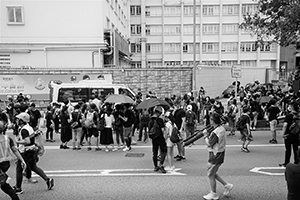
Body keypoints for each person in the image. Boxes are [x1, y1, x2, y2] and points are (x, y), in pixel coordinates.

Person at [14, 112, 54, 194]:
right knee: (33, 167)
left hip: (25, 151)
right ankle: (47, 179)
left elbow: (27, 141)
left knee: (19, 169)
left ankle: (18, 188)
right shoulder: (29, 127)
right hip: (32, 150)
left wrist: (17, 141)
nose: (16, 120)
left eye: (18, 119)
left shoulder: (24, 130)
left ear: (22, 120)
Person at [202, 113, 233, 200]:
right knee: (212, 173)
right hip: (220, 153)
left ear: (212, 121)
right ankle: (226, 185)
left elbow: (210, 144)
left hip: (215, 155)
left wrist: (205, 135)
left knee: (210, 174)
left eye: (210, 120)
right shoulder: (221, 129)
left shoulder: (215, 132)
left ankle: (214, 194)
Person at [0, 120, 26, 200]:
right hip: (5, 164)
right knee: (3, 183)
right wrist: (22, 160)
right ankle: (15, 198)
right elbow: (15, 150)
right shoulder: (7, 138)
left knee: (4, 183)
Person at [279, 101, 299, 167]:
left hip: (288, 134)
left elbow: (285, 125)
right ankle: (297, 162)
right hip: (296, 134)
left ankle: (286, 162)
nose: (288, 107)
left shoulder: (289, 116)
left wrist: (283, 133)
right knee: (296, 149)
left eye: (289, 106)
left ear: (291, 107)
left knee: (288, 149)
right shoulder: (298, 115)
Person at [149, 106, 167, 174]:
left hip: (154, 137)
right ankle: (161, 164)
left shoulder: (151, 119)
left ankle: (155, 166)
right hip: (160, 137)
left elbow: (149, 129)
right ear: (159, 113)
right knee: (164, 150)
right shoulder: (159, 120)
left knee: (155, 152)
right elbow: (162, 130)